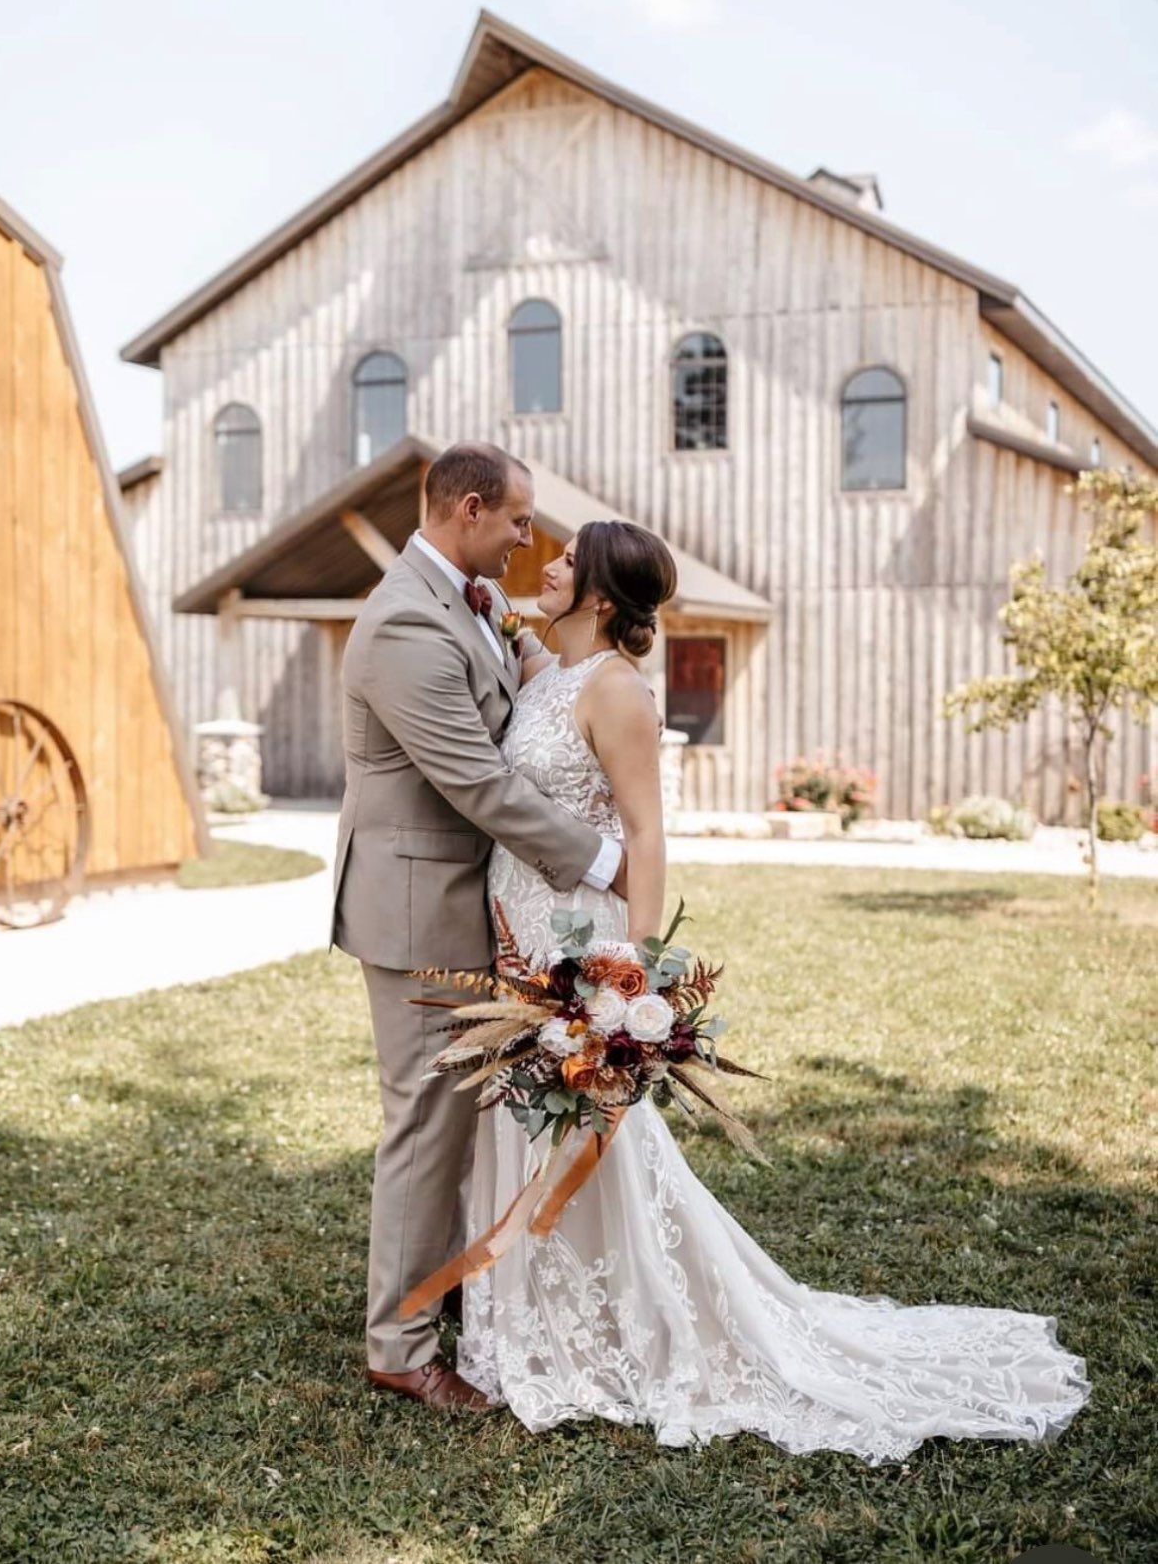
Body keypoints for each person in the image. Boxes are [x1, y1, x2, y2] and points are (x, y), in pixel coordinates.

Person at [456, 518, 1092, 1458]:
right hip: (512, 927)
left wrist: (633, 976)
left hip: (576, 940)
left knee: (585, 1131)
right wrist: (496, 618)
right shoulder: (544, 670)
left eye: (562, 561)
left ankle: (607, 1325)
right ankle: (526, 1319)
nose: (541, 565)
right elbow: (510, 680)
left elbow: (647, 831)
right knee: (517, 1120)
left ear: (596, 593)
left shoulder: (620, 691)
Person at [333, 442, 625, 1411]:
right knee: (424, 1121)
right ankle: (400, 1343)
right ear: (468, 508)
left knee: (462, 1116)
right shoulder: (406, 624)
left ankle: (445, 1287)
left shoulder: (469, 600)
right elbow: (475, 780)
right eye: (514, 520)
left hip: (467, 901)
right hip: (415, 909)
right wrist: (595, 857)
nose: (524, 540)